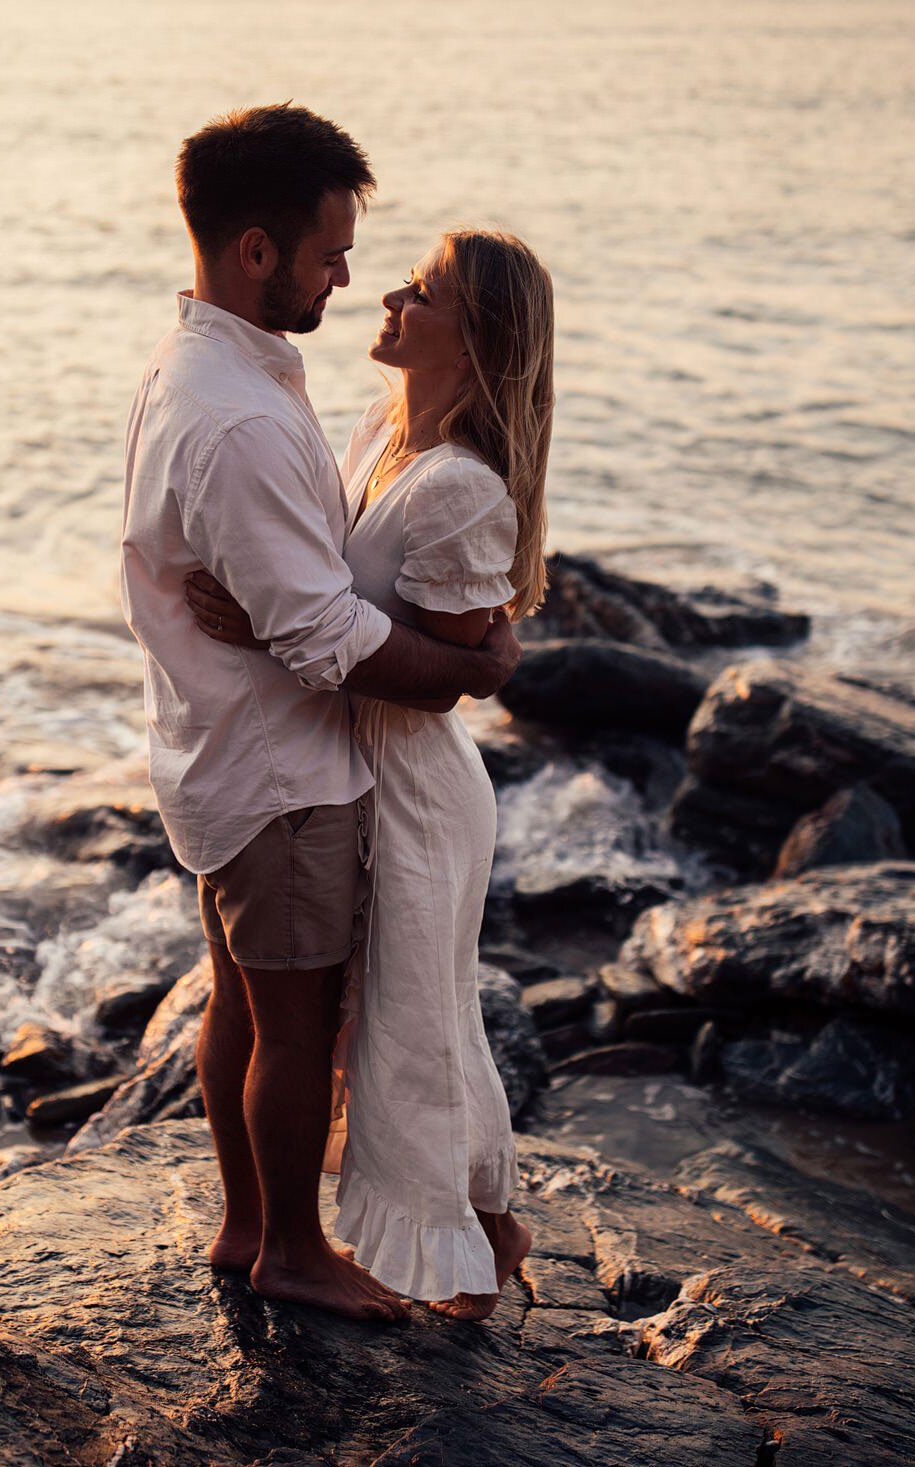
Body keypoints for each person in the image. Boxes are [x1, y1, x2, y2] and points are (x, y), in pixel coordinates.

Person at [118, 103, 523, 1325]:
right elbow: (323, 635)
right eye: (333, 251)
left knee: (241, 1003)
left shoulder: (205, 370)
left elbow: (301, 593)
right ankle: (291, 1247)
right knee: (291, 1027)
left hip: (218, 751)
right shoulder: (239, 414)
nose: (350, 276)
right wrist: (476, 670)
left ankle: (250, 1228)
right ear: (256, 249)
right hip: (283, 770)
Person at [187, 228, 555, 1321]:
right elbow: (354, 607)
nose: (388, 294)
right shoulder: (380, 430)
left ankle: (462, 1255)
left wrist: (269, 634)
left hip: (413, 787)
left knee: (410, 1023)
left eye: (423, 291)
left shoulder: (459, 490)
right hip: (341, 760)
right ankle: (483, 1227)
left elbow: (439, 679)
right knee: (408, 1017)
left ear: (476, 338)